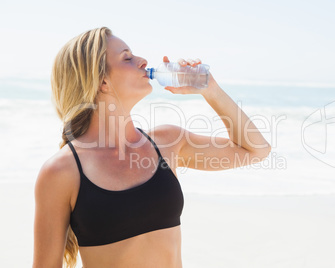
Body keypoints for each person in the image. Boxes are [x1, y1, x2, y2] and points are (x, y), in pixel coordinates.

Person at [33, 27, 271, 268]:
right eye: (127, 57)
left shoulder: (167, 141)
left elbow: (255, 150)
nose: (142, 60)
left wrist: (210, 90)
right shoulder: (62, 170)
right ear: (102, 81)